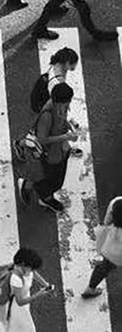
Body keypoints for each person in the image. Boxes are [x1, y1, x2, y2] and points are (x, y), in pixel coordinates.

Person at [18, 82, 77, 213]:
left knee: (53, 177)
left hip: (59, 151)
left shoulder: (60, 106)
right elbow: (42, 139)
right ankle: (45, 198)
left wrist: (69, 126)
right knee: (53, 180)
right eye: (68, 101)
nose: (69, 103)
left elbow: (62, 119)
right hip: (50, 153)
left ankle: (28, 185)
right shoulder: (47, 115)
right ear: (61, 101)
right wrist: (65, 137)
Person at [0, 248, 53, 332]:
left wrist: (46, 285)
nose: (32, 271)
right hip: (17, 308)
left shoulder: (24, 270)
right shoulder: (16, 279)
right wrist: (39, 294)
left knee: (0, 314)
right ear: (24, 265)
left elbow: (33, 274)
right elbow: (20, 301)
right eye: (31, 267)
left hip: (13, 302)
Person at [82, 196, 122, 298]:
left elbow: (107, 222)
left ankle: (90, 289)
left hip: (114, 247)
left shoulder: (116, 202)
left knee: (104, 266)